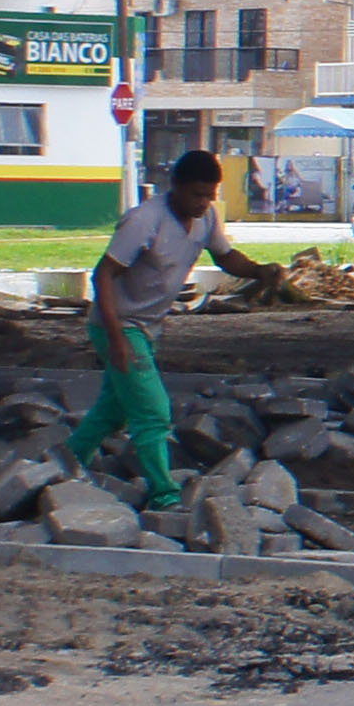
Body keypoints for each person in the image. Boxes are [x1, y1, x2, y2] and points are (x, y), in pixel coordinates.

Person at [67, 151, 270, 508]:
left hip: (149, 328)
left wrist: (259, 271)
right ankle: (164, 494)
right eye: (196, 194)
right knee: (154, 411)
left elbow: (225, 256)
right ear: (175, 186)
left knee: (112, 411)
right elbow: (104, 274)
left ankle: (65, 464)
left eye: (209, 195)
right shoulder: (145, 221)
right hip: (120, 324)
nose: (203, 203)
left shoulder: (206, 217)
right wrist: (116, 339)